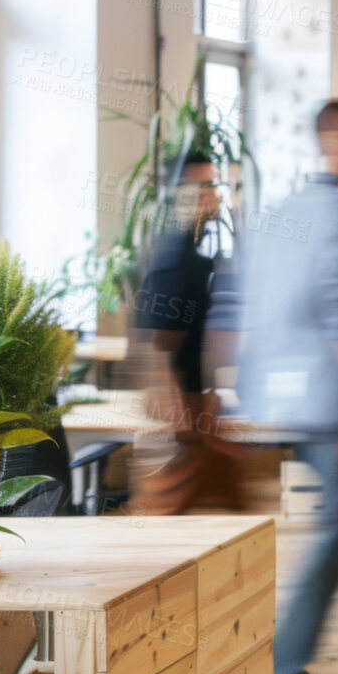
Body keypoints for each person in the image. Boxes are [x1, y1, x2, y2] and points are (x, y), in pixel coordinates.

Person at [237, 98, 338, 674]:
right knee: (332, 528)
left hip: (267, 393)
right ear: (331, 139)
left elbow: (241, 301)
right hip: (325, 396)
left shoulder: (278, 212)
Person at [130, 149, 235, 514]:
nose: (211, 194)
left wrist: (208, 394)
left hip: (193, 409)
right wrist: (175, 407)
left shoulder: (192, 252)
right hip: (177, 412)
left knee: (222, 512)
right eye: (200, 185)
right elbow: (156, 342)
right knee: (164, 514)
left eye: (213, 184)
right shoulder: (174, 256)